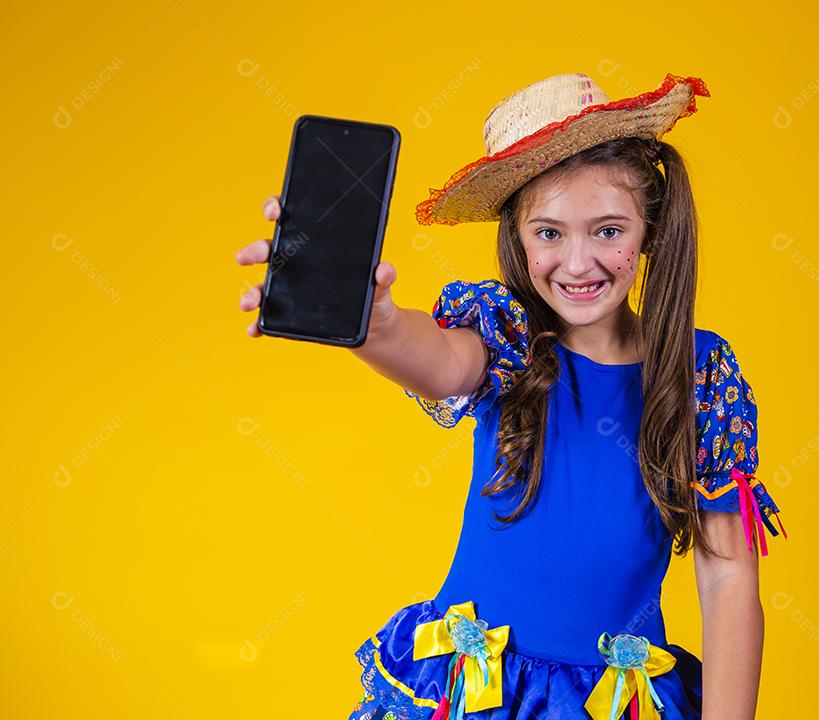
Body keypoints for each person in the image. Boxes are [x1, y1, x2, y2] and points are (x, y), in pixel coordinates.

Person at [237, 72, 786, 720]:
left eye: (608, 231)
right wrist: (373, 321)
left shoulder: (699, 375)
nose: (577, 263)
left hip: (612, 703)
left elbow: (728, 576)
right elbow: (440, 363)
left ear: (651, 228)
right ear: (517, 237)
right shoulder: (510, 338)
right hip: (477, 692)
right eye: (549, 233)